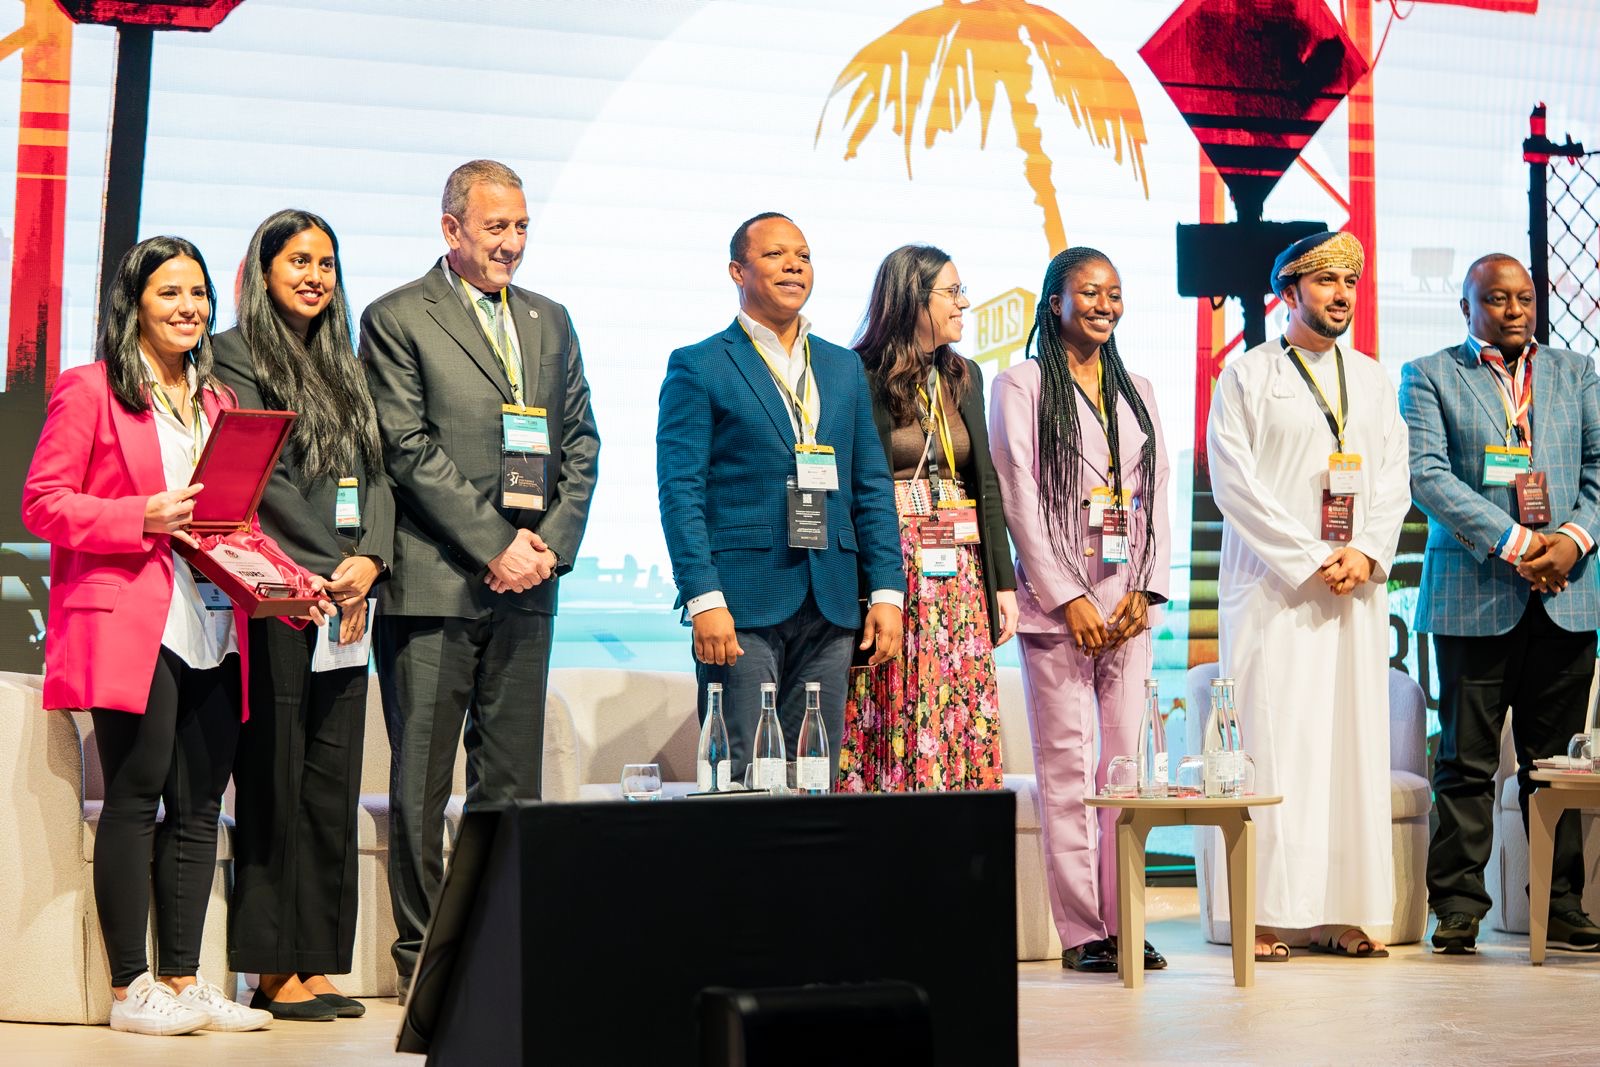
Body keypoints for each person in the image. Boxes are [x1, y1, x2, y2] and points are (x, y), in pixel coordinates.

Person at [21, 236, 331, 1035]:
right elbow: (42, 503)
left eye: (197, 293)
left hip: (215, 620)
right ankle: (131, 990)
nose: (189, 307)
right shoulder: (89, 391)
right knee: (137, 792)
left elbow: (237, 520)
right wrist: (139, 515)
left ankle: (185, 978)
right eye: (169, 293)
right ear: (134, 303)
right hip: (132, 616)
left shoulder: (219, 401)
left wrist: (290, 588)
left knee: (198, 805)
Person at [362, 160, 600, 997]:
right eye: (496, 227)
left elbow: (580, 442)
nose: (512, 243)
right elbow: (405, 446)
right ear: (451, 229)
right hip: (435, 585)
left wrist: (547, 547)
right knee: (422, 787)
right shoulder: (395, 318)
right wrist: (495, 541)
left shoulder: (550, 320)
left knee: (510, 784)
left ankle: (500, 949)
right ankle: (425, 962)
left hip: (529, 585)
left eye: (523, 227)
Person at [1206, 230, 1411, 961]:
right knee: (1276, 740)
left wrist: (1364, 552)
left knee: (1349, 746)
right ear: (1288, 292)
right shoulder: (1247, 376)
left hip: (1354, 592)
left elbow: (1393, 479)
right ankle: (1262, 912)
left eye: (1349, 282)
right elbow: (1235, 486)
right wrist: (1310, 556)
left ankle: (1341, 909)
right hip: (1275, 592)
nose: (1341, 295)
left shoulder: (1375, 379)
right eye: (1325, 281)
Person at [212, 209, 395, 1020]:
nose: (315, 275)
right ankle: (268, 965)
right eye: (298, 260)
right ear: (262, 268)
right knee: (276, 777)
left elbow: (381, 477)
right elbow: (266, 480)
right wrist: (327, 567)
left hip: (348, 598)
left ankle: (317, 958)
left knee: (332, 776)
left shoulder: (345, 362)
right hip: (281, 595)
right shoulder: (234, 354)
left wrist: (373, 559)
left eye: (326, 261)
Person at [657, 212, 904, 784]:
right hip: (740, 604)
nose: (793, 264)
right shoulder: (699, 365)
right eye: (775, 255)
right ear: (737, 270)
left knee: (812, 774)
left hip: (833, 602)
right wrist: (703, 599)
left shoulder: (843, 368)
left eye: (804, 255)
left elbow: (870, 488)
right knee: (740, 773)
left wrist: (887, 592)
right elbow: (680, 491)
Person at [1401, 253, 1600, 955]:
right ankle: (1457, 906)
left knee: (1559, 767)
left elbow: (1599, 470)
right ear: (1466, 306)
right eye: (1496, 298)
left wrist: (1571, 541)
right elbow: (1427, 475)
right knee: (1464, 763)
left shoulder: (1577, 373)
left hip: (1567, 596)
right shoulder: (1429, 374)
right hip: (1474, 596)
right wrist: (1520, 543)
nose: (1514, 309)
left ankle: (1561, 902)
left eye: (1524, 297)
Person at [990, 246, 1171, 974]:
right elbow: (1018, 498)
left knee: (1125, 771)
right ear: (1054, 302)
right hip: (1058, 611)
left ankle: (1126, 918)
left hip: (1126, 607)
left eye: (1114, 293)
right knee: (1067, 772)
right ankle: (1079, 931)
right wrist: (1068, 596)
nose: (1103, 304)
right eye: (1088, 292)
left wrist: (1145, 588)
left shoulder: (1140, 389)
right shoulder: (1022, 383)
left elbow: (1157, 494)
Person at [839, 244, 1016, 792]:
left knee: (957, 710)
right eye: (953, 292)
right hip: (894, 570)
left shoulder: (964, 374)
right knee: (893, 708)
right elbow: (850, 489)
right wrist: (867, 591)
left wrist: (1002, 583)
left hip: (958, 575)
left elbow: (984, 481)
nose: (965, 303)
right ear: (912, 299)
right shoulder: (859, 374)